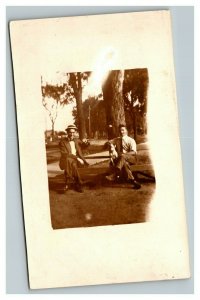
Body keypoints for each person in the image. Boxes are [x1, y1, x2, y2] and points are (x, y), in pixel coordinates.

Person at [106, 124, 141, 189]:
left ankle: (114, 174)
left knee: (123, 157)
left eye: (123, 130)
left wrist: (124, 155)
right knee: (125, 163)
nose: (121, 132)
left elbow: (134, 152)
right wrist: (112, 148)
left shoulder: (131, 140)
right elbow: (108, 142)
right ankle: (133, 181)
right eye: (120, 130)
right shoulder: (117, 139)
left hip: (131, 158)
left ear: (126, 131)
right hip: (122, 161)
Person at [59, 125, 89, 193]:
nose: (72, 134)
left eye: (73, 132)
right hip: (67, 159)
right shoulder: (62, 142)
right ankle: (78, 184)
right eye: (70, 132)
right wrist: (78, 158)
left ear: (75, 132)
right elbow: (65, 154)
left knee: (71, 162)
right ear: (67, 132)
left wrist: (86, 142)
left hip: (75, 160)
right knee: (70, 162)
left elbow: (84, 147)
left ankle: (67, 183)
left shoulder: (77, 140)